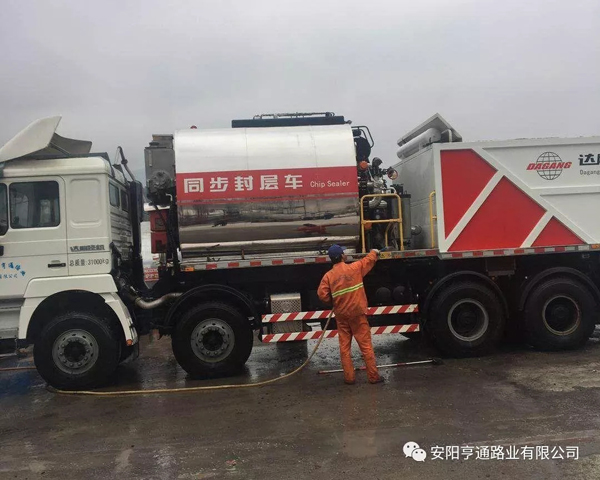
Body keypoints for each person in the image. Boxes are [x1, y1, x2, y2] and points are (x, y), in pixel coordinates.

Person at [317, 244, 383, 385]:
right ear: (342, 256)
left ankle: (349, 378)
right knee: (365, 346)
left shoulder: (328, 276)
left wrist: (333, 301)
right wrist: (374, 252)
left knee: (344, 348)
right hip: (357, 314)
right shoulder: (354, 268)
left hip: (341, 315)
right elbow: (367, 261)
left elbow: (322, 294)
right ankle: (373, 377)